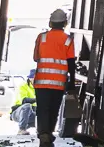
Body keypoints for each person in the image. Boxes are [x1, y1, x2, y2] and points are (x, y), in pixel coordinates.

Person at [30, 9, 75, 147]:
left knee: (43, 108)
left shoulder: (41, 37)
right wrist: (71, 81)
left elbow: (35, 58)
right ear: (65, 23)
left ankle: (43, 133)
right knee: (54, 110)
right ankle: (48, 133)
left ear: (50, 22)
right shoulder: (68, 40)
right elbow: (71, 62)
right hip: (58, 83)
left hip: (41, 82)